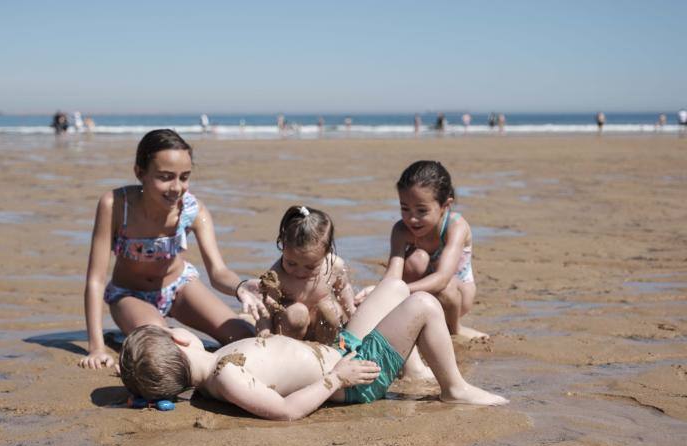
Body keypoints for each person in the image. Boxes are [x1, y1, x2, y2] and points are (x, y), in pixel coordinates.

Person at [119, 278, 508, 421]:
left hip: (339, 350)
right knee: (423, 305)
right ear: (178, 338)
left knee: (395, 287)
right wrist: (335, 379)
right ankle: (453, 387)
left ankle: (415, 368)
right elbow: (286, 412)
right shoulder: (226, 377)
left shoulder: (216, 362)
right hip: (354, 377)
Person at [78, 129, 266, 370]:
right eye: (166, 177)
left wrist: (240, 287)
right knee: (165, 347)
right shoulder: (115, 205)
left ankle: (238, 324)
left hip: (179, 288)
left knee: (246, 340)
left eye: (184, 177)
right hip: (130, 295)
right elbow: (95, 280)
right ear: (140, 173)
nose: (177, 187)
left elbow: (218, 272)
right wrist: (97, 347)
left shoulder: (193, 210)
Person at [355, 160, 488, 342]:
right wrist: (378, 291)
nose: (412, 218)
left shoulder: (455, 226)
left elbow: (442, 279)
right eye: (405, 209)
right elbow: (392, 275)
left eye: (422, 210)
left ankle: (455, 329)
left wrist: (399, 291)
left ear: (445, 206)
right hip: (421, 290)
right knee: (415, 259)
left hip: (456, 297)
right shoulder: (401, 230)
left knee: (446, 287)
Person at [251, 205, 356, 345]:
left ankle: (328, 349)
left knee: (331, 309)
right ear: (282, 245)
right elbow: (265, 312)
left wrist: (354, 319)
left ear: (327, 253)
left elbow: (344, 291)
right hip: (290, 332)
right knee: (297, 312)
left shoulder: (334, 267)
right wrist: (263, 336)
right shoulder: (276, 276)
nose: (300, 272)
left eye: (310, 267)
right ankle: (289, 350)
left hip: (322, 331)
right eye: (291, 264)